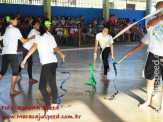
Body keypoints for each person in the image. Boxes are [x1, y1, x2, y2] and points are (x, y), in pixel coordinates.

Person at [21, 19, 65, 115]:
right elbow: (56, 48)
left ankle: (49, 108)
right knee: (52, 83)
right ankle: (55, 104)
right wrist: (61, 54)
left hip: (47, 64)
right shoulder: (50, 36)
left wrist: (25, 59)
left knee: (42, 87)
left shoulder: (38, 36)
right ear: (48, 27)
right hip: (54, 62)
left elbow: (33, 47)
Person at [125, 1, 163, 113]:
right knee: (150, 80)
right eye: (159, 9)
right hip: (153, 55)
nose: (161, 10)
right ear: (156, 9)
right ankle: (148, 101)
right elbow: (150, 24)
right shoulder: (149, 19)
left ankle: (161, 107)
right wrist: (161, 18)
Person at [0, 14, 35, 95]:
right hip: (12, 53)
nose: (17, 21)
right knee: (15, 72)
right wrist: (32, 37)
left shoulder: (4, 29)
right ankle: (12, 90)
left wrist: (2, 48)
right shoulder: (15, 30)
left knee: (2, 71)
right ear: (11, 21)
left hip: (5, 53)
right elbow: (24, 41)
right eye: (15, 19)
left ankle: (12, 90)